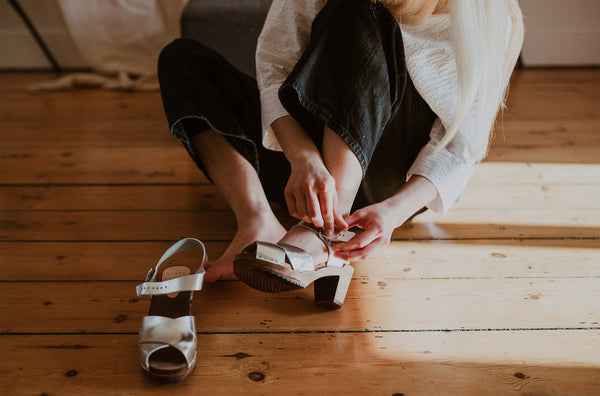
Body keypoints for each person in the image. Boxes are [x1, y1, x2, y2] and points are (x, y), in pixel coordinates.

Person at [157, 0, 524, 294]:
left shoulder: (493, 16)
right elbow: (274, 71)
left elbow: (459, 147)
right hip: (302, 168)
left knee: (357, 9)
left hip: (382, 191)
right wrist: (302, 156)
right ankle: (257, 221)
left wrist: (394, 213)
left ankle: (324, 232)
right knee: (182, 60)